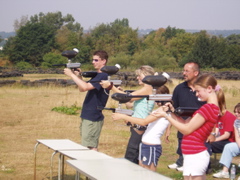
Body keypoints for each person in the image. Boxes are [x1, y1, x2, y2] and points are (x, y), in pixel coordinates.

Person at [152, 74, 223, 180]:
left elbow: (186, 130)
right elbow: (186, 124)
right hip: (193, 153)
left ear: (209, 89)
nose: (197, 95)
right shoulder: (210, 108)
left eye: (198, 91)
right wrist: (172, 112)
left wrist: (166, 115)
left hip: (195, 154)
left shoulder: (207, 108)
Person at [100, 65, 155, 164]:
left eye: (139, 75)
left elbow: (127, 98)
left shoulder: (147, 89)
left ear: (147, 76)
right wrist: (120, 92)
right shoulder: (146, 89)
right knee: (133, 157)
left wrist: (111, 87)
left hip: (139, 127)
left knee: (131, 157)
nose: (137, 77)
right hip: (137, 126)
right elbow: (129, 104)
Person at [112, 85, 170, 171]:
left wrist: (122, 116)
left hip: (151, 145)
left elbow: (144, 121)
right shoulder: (161, 109)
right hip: (146, 144)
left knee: (149, 173)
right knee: (141, 171)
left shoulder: (162, 110)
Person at [64, 50, 109, 151]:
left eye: (96, 60)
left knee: (90, 147)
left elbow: (84, 87)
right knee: (87, 144)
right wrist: (78, 75)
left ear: (104, 61)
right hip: (89, 114)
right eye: (93, 60)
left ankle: (92, 166)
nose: (93, 62)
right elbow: (81, 89)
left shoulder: (103, 76)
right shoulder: (98, 75)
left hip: (93, 115)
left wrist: (71, 75)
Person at [167, 62, 205, 172]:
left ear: (196, 73)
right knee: (182, 142)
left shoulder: (204, 88)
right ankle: (181, 161)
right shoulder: (179, 88)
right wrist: (169, 127)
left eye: (187, 71)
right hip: (183, 124)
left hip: (200, 123)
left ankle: (196, 165)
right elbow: (173, 109)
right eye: (183, 70)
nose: (184, 73)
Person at [205, 91, 236, 172]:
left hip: (229, 141)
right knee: (203, 142)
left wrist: (214, 140)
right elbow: (217, 130)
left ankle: (207, 168)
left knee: (206, 145)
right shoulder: (218, 116)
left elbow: (226, 135)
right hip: (221, 139)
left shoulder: (229, 116)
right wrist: (211, 136)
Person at [212, 103, 240, 179]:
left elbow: (227, 135)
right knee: (228, 147)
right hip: (238, 144)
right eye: (235, 112)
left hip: (233, 142)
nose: (236, 114)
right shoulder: (236, 122)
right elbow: (237, 137)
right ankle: (225, 172)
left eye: (238, 112)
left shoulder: (229, 117)